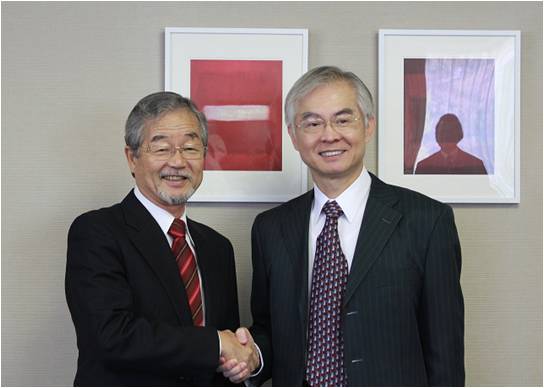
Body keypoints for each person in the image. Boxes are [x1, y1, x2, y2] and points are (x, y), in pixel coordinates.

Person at [222, 66, 464, 386]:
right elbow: (270, 330)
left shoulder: (427, 221)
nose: (329, 134)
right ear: (294, 135)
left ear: (368, 126)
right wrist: (253, 356)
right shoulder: (270, 229)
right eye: (312, 123)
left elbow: (444, 352)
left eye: (343, 119)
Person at [65, 91, 258, 386]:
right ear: (132, 158)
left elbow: (224, 355)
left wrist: (239, 364)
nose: (178, 161)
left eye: (190, 148)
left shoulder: (217, 248)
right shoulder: (96, 232)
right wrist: (216, 343)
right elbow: (111, 336)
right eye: (162, 148)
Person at [415, 113, 487, 174]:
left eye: (449, 132)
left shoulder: (476, 166)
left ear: (459, 134)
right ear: (436, 135)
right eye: (442, 132)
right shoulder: (423, 167)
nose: (445, 137)